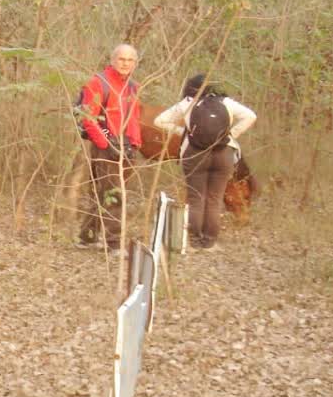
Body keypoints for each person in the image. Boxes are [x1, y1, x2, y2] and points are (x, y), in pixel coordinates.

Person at [153, 73, 256, 250]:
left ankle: (194, 241)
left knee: (196, 198)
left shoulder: (187, 103)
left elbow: (159, 121)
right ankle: (209, 242)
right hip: (223, 154)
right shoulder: (226, 102)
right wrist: (231, 135)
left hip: (195, 155)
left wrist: (182, 132)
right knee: (214, 199)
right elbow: (251, 116)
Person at [73, 44, 143, 251]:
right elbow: (89, 119)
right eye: (122, 59)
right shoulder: (98, 83)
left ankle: (87, 237)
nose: (125, 64)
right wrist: (106, 143)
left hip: (127, 147)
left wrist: (135, 143)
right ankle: (114, 244)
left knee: (103, 193)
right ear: (113, 60)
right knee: (114, 194)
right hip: (104, 147)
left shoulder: (133, 86)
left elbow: (134, 118)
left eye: (130, 60)